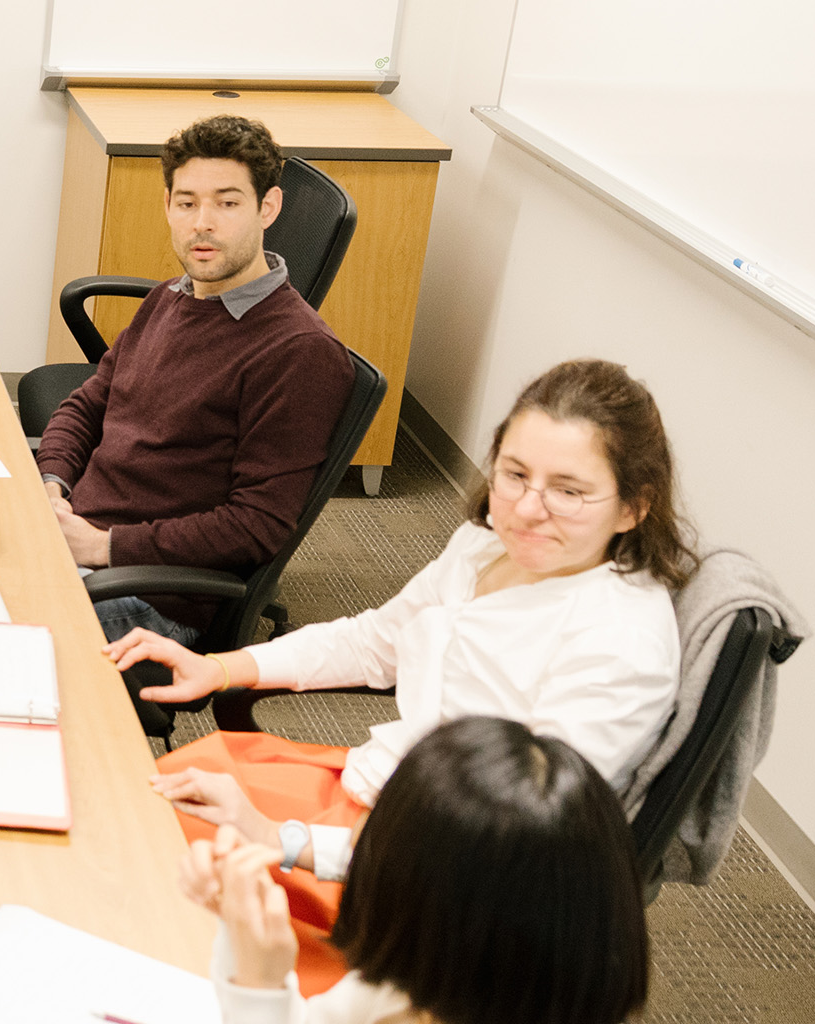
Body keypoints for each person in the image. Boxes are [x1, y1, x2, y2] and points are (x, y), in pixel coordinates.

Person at [117, 357, 695, 993]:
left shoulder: (620, 645)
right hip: (378, 788)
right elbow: (378, 641)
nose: (528, 509)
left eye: (568, 490)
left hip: (426, 874)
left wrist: (281, 840)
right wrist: (220, 666)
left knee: (163, 881)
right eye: (514, 473)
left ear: (632, 509)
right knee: (148, 797)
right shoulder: (484, 544)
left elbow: (504, 846)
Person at [36, 113, 359, 646]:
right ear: (168, 206)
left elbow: (256, 524)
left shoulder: (299, 354)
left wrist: (102, 547)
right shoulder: (171, 297)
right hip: (75, 536)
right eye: (187, 203)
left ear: (268, 208)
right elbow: (89, 404)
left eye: (227, 203)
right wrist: (52, 486)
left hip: (148, 598)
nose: (202, 223)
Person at [184, 716, 651, 1024]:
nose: (356, 830)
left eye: (376, 823)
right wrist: (242, 934)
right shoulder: (416, 984)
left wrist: (261, 984)